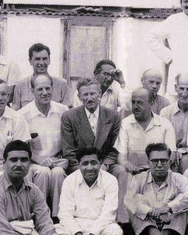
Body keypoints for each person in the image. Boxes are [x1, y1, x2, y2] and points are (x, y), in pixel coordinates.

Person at [58, 77, 121, 217]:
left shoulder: (113, 116)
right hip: (80, 164)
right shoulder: (69, 117)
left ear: (100, 94)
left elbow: (115, 148)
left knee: (121, 171)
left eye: (93, 93)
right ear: (79, 96)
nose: (89, 98)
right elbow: (69, 151)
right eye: (85, 94)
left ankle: (121, 219)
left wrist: (104, 165)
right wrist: (86, 166)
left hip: (105, 164)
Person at [111, 88, 176, 222]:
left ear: (151, 102)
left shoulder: (164, 124)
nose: (135, 106)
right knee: (122, 172)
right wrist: (128, 164)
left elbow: (172, 155)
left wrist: (155, 167)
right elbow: (121, 157)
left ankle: (159, 220)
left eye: (139, 103)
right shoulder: (126, 123)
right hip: (133, 170)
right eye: (133, 102)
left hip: (157, 168)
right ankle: (125, 222)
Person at [124, 143, 188, 235]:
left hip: (171, 226)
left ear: (169, 162)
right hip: (147, 228)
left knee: (182, 202)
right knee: (135, 199)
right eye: (155, 161)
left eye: (163, 161)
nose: (159, 165)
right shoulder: (139, 178)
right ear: (148, 163)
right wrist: (152, 212)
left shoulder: (178, 178)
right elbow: (128, 200)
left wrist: (168, 208)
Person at [55, 147, 123, 235]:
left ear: (101, 163)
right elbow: (65, 214)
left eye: (94, 163)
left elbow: (109, 213)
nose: (90, 168)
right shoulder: (70, 180)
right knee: (56, 231)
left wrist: (94, 234)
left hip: (100, 226)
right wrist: (77, 234)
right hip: (75, 226)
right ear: (79, 164)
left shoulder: (110, 180)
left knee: (116, 233)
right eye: (85, 163)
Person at [18, 73, 69, 211]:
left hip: (57, 160)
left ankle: (58, 217)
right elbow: (22, 148)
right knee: (43, 172)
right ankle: (38, 214)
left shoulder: (63, 111)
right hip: (34, 162)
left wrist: (65, 159)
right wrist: (39, 160)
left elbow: (69, 141)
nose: (45, 93)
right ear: (32, 90)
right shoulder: (22, 115)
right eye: (40, 89)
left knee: (58, 173)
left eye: (48, 88)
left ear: (53, 88)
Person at [160, 74, 188, 172]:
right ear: (176, 88)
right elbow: (163, 140)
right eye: (181, 88)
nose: (184, 93)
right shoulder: (166, 112)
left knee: (186, 162)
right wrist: (173, 151)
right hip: (171, 154)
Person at [12, 43, 70, 110]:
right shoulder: (21, 85)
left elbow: (67, 112)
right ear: (30, 61)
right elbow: (15, 112)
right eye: (37, 59)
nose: (41, 63)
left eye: (44, 59)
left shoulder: (61, 84)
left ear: (49, 60)